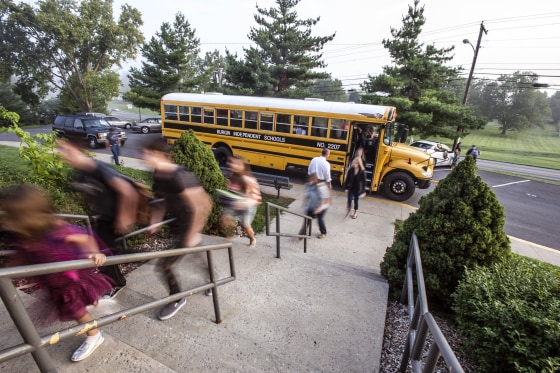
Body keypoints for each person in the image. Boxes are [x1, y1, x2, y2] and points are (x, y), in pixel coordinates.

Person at [0, 185, 112, 362]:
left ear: (28, 217)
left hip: (69, 282)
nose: (8, 223)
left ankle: (94, 335)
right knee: (71, 309)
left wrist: (94, 254)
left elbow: (86, 238)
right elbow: (20, 255)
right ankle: (88, 308)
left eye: (11, 218)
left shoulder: (55, 231)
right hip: (53, 282)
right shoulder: (23, 236)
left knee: (76, 311)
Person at [141, 138, 212, 321]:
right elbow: (163, 200)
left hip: (189, 226)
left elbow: (203, 204)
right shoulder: (159, 174)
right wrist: (155, 220)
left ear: (157, 154)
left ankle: (177, 298)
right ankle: (213, 277)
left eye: (146, 154)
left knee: (165, 265)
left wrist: (192, 233)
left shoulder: (180, 176)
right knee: (197, 256)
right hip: (177, 224)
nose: (143, 157)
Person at [57, 140, 139, 296]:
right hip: (103, 218)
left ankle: (117, 282)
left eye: (67, 151)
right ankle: (130, 257)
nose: (64, 155)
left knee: (104, 252)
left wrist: (124, 217)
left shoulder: (98, 168)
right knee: (106, 250)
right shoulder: (80, 173)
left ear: (78, 149)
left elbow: (127, 190)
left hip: (114, 218)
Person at [221, 155, 261, 248]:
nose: (232, 165)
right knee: (225, 218)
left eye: (236, 164)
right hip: (235, 203)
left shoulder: (248, 179)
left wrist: (244, 200)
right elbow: (232, 190)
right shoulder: (231, 175)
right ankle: (236, 231)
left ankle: (252, 238)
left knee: (246, 225)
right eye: (231, 162)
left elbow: (255, 195)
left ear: (242, 166)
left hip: (248, 205)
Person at [298, 173, 330, 239]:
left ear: (316, 180)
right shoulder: (309, 185)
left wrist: (319, 209)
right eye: (309, 180)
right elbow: (307, 195)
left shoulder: (321, 186)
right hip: (312, 205)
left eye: (312, 180)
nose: (310, 182)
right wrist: (304, 204)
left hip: (322, 206)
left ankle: (323, 232)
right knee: (307, 218)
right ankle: (302, 233)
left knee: (319, 219)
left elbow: (325, 199)